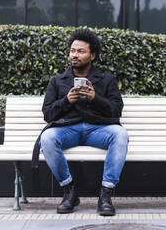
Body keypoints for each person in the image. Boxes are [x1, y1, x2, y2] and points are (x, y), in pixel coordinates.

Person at [32, 29, 129, 216]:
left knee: (120, 134)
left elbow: (116, 110)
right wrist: (67, 100)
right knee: (48, 137)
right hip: (69, 130)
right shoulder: (58, 81)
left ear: (92, 55)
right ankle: (70, 191)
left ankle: (105, 195)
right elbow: (48, 113)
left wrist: (95, 98)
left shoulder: (107, 80)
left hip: (98, 130)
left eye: (80, 51)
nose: (74, 55)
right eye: (72, 50)